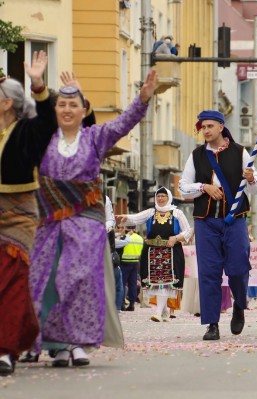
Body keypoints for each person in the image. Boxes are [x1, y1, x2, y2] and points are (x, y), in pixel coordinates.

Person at [27, 69, 158, 368]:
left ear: (84, 110)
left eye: (74, 105)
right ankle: (57, 345)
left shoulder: (95, 137)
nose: (67, 110)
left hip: (86, 220)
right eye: (62, 105)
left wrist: (143, 99)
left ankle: (79, 342)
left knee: (77, 278)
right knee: (47, 280)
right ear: (54, 109)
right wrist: (37, 84)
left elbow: (124, 123)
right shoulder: (43, 139)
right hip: (48, 220)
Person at [178, 110, 257, 340]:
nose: (205, 130)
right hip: (206, 222)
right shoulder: (196, 155)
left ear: (221, 127)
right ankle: (212, 323)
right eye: (203, 127)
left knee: (238, 267)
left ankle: (239, 306)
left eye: (210, 126)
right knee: (209, 272)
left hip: (235, 220)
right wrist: (204, 187)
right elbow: (182, 187)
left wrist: (252, 178)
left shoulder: (240, 152)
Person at [0, 51, 56, 376]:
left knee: (10, 280)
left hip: (18, 216)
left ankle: (6, 350)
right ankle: (21, 332)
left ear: (7, 103)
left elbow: (47, 123)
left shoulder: (25, 133)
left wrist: (38, 84)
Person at [118, 187, 192, 322]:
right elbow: (137, 218)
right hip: (152, 252)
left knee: (165, 281)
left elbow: (188, 230)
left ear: (168, 197)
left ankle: (158, 312)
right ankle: (163, 312)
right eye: (158, 196)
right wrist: (125, 217)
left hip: (170, 252)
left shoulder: (177, 213)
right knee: (156, 282)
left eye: (163, 196)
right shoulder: (151, 212)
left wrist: (175, 238)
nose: (160, 198)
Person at [119, 225, 144, 311]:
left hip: (124, 262)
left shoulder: (125, 237)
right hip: (135, 262)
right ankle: (132, 304)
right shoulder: (140, 238)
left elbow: (119, 248)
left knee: (122, 283)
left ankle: (121, 304)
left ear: (126, 228)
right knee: (133, 283)